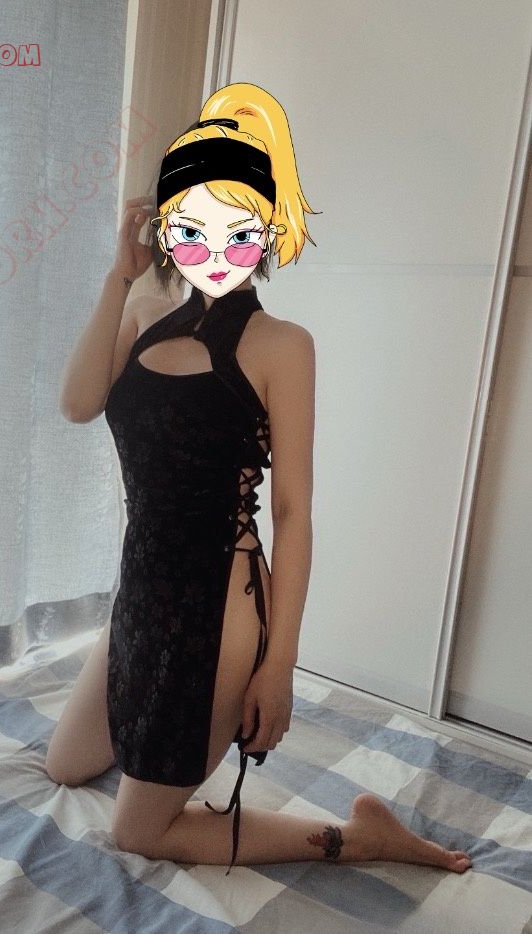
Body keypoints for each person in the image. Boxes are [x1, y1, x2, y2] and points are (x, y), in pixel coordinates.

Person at [47, 82, 473, 876]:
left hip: (224, 605)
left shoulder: (284, 345)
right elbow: (76, 404)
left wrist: (279, 668)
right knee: (66, 766)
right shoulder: (141, 311)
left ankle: (360, 837)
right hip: (141, 589)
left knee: (138, 833)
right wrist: (117, 276)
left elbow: (295, 514)